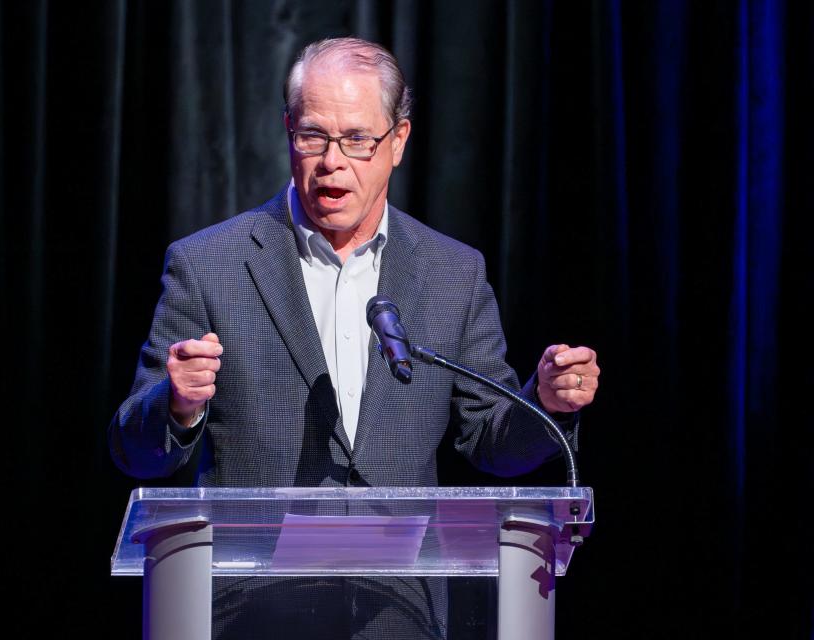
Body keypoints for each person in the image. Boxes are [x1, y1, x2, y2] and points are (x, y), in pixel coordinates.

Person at [109, 37, 599, 640]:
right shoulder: (208, 264)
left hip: (399, 610)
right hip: (247, 610)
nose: (331, 161)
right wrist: (178, 406)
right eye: (313, 136)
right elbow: (134, 449)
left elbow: (490, 441)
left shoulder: (453, 272)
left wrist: (544, 403)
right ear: (288, 130)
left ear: (398, 141)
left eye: (358, 140)